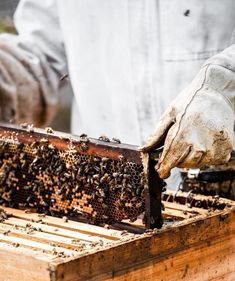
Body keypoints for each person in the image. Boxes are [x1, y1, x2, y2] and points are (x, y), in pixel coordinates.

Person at [0, 0, 234, 181]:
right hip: (100, 189)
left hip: (222, 187)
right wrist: (5, 80)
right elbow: (43, 56)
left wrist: (226, 88)